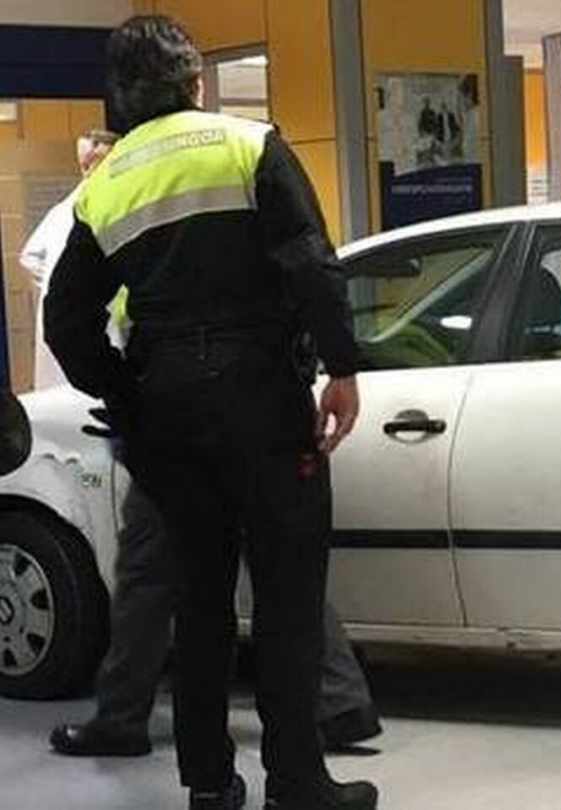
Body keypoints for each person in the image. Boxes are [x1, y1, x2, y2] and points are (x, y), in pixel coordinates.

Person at [44, 16, 375, 810]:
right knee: (290, 601)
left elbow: (65, 321)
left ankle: (208, 785)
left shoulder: (105, 185)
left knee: (198, 606)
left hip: (168, 413)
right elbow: (310, 265)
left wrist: (126, 389)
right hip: (262, 397)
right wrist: (342, 367)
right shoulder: (248, 145)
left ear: (121, 97)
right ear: (195, 82)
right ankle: (297, 784)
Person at [20, 130, 118, 390]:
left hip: (69, 328)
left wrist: (52, 285)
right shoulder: (103, 200)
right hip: (96, 328)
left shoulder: (61, 209)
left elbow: (30, 258)